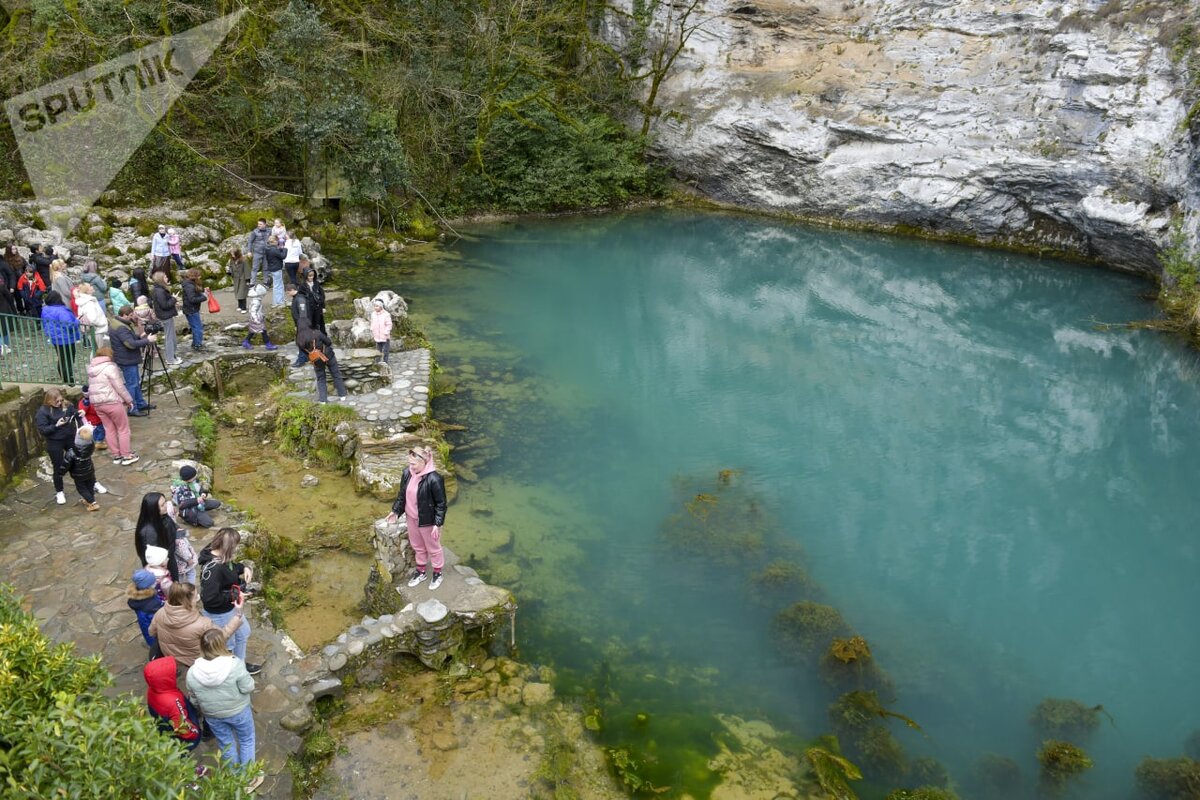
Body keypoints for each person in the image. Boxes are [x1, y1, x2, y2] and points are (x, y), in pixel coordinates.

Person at [187, 629, 263, 792]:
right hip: (239, 711)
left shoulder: (192, 673)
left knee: (226, 744)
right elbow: (248, 687)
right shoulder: (234, 664)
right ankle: (249, 777)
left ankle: (235, 777)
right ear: (222, 645)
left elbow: (193, 699)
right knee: (246, 739)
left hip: (213, 716)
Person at [385, 446, 448, 590]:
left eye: (413, 464)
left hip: (428, 521)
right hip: (411, 517)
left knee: (433, 547)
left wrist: (437, 524)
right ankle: (421, 571)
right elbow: (402, 496)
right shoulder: (407, 473)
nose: (410, 466)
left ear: (424, 462)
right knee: (417, 546)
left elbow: (441, 504)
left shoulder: (434, 479)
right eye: (409, 463)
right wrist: (395, 511)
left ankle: (438, 573)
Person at [198, 528, 259, 672]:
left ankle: (240, 664)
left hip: (230, 608)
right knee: (228, 645)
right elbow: (209, 599)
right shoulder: (214, 569)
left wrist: (244, 568)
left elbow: (231, 568)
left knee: (243, 633)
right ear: (229, 547)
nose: (237, 548)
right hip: (220, 614)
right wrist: (235, 595)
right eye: (236, 545)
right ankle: (233, 672)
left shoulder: (222, 557)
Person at [149, 581, 246, 672]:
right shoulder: (202, 624)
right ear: (187, 601)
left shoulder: (160, 613)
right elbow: (221, 637)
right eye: (196, 596)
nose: (198, 597)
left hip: (171, 655)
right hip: (194, 660)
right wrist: (238, 614)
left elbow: (151, 632)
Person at [86, 345, 137, 464]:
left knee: (109, 429)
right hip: (112, 402)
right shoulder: (110, 367)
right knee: (123, 429)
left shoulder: (92, 369)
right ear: (109, 355)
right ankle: (126, 455)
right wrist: (129, 400)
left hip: (97, 404)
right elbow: (119, 386)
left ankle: (116, 455)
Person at [144, 655, 202, 752]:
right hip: (183, 737)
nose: (176, 672)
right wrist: (195, 732)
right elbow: (182, 727)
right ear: (164, 679)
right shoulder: (173, 702)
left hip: (166, 727)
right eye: (172, 672)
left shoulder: (153, 689)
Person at [110, 304, 155, 416]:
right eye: (130, 315)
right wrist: (147, 340)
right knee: (132, 384)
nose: (132, 317)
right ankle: (132, 408)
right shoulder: (121, 327)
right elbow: (130, 344)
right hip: (127, 359)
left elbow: (128, 338)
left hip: (127, 358)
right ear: (124, 315)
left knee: (135, 382)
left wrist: (140, 335)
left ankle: (140, 403)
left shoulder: (119, 323)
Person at [36, 388, 78, 505]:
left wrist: (79, 413)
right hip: (55, 442)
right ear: (49, 401)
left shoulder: (66, 405)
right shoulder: (43, 411)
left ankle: (89, 484)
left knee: (77, 462)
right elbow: (43, 430)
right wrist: (56, 425)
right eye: (57, 402)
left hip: (69, 438)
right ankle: (59, 492)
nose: (59, 403)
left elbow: (74, 413)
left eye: (60, 400)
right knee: (58, 467)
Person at [55, 424, 108, 511]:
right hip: (89, 470)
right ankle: (89, 500)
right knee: (90, 486)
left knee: (82, 489)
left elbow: (66, 463)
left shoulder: (72, 451)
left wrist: (60, 473)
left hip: (78, 474)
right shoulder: (91, 445)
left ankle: (93, 503)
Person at [296, 326, 347, 404]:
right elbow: (328, 342)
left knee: (321, 378)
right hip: (328, 356)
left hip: (316, 360)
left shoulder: (299, 340)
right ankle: (342, 395)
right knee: (336, 374)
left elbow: (306, 353)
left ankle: (323, 400)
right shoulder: (317, 333)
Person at [41, 291, 81, 385]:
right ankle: (69, 380)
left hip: (55, 338)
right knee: (69, 359)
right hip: (66, 339)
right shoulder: (62, 311)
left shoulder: (45, 309)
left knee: (62, 357)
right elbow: (69, 325)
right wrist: (77, 321)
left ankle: (64, 377)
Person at [136, 492, 178, 580]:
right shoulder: (149, 532)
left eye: (165, 502)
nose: (166, 505)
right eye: (163, 505)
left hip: (169, 557)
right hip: (162, 565)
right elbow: (153, 556)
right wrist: (165, 561)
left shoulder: (162, 516)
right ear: (153, 509)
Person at [127, 568, 165, 648]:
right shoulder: (152, 605)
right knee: (151, 638)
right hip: (152, 627)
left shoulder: (138, 597)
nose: (156, 582)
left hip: (145, 622)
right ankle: (153, 647)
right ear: (147, 587)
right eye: (153, 582)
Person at [151, 271, 181, 365]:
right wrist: (174, 299)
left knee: (171, 337)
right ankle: (170, 359)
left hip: (165, 315)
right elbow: (165, 305)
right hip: (166, 316)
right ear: (161, 279)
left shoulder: (158, 289)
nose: (167, 278)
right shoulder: (159, 291)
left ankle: (172, 355)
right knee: (169, 337)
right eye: (165, 277)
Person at [241, 284, 276, 350]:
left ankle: (246, 341)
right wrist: (256, 319)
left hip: (256, 317)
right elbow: (253, 311)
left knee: (252, 331)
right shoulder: (256, 302)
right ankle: (268, 344)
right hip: (257, 318)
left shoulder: (255, 300)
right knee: (263, 331)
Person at [287, 283, 313, 368]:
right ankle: (306, 357)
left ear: (291, 290)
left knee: (301, 342)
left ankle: (301, 360)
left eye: (288, 292)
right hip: (301, 324)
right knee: (304, 342)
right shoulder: (297, 298)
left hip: (303, 324)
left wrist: (301, 326)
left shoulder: (300, 299)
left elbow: (303, 313)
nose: (288, 294)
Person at [298, 261, 326, 334]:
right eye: (309, 276)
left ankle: (325, 342)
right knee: (311, 325)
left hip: (318, 307)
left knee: (321, 325)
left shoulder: (316, 284)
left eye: (312, 276)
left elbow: (322, 295)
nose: (311, 277)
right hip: (309, 309)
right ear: (305, 276)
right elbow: (300, 298)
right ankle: (313, 342)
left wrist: (323, 307)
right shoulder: (302, 286)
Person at [180, 268, 205, 351]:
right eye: (199, 275)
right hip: (191, 310)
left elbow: (196, 292)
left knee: (195, 327)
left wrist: (203, 291)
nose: (200, 277)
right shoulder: (189, 286)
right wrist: (204, 297)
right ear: (194, 276)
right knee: (197, 327)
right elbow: (192, 299)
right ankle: (197, 345)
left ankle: (195, 343)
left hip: (191, 309)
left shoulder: (190, 284)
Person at [78, 385, 107, 451]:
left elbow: (81, 410)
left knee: (94, 432)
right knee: (102, 431)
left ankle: (96, 441)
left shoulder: (81, 402)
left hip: (89, 422)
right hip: (98, 420)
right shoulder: (93, 402)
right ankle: (99, 442)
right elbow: (96, 410)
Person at [245, 218, 270, 286]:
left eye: (260, 224)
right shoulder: (255, 231)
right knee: (254, 268)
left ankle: (266, 281)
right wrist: (249, 251)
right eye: (258, 224)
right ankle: (252, 283)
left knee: (266, 268)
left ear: (265, 224)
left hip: (267, 252)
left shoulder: (269, 231)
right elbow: (250, 241)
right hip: (257, 252)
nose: (258, 225)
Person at [263, 235, 286, 306]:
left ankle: (278, 300)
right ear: (275, 241)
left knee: (278, 285)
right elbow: (283, 256)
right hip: (276, 269)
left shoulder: (268, 248)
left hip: (272, 268)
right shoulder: (274, 249)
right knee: (278, 286)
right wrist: (284, 249)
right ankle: (278, 302)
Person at [0, 256, 15, 355]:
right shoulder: (1, 286)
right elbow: (9, 297)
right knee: (4, 329)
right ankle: (5, 346)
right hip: (3, 309)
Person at [370, 298, 392, 365]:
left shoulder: (386, 314)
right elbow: (372, 322)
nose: (375, 308)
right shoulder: (373, 314)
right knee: (378, 350)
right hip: (377, 335)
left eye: (377, 306)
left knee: (385, 350)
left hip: (385, 336)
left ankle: (385, 362)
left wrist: (386, 332)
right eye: (375, 306)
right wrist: (372, 328)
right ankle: (377, 362)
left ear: (381, 306)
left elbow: (389, 324)